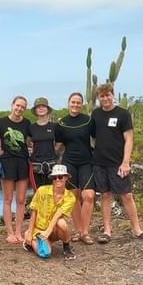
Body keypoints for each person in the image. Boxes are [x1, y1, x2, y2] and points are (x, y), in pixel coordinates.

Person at [89, 83, 143, 244]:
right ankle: (107, 230)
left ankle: (137, 229)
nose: (105, 98)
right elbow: (92, 136)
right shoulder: (95, 114)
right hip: (100, 162)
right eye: (102, 96)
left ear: (112, 95)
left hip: (118, 163)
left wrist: (126, 162)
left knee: (126, 195)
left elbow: (129, 139)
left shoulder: (123, 114)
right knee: (105, 195)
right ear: (98, 98)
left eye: (107, 95)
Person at [55, 91, 96, 244]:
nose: (75, 105)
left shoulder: (88, 121)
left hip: (86, 161)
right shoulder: (61, 123)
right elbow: (58, 145)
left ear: (82, 104)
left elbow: (98, 138)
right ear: (68, 103)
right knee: (73, 198)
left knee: (89, 196)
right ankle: (79, 231)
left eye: (78, 102)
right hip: (69, 162)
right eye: (73, 102)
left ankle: (85, 232)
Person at [0, 95, 33, 244]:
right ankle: (9, 232)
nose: (19, 109)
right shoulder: (2, 122)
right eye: (17, 105)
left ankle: (18, 232)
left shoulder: (27, 123)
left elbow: (30, 142)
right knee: (7, 199)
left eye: (22, 107)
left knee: (20, 199)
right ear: (12, 105)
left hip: (23, 162)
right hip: (7, 162)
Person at [23, 164, 77, 260]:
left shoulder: (70, 197)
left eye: (60, 177)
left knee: (62, 223)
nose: (57, 180)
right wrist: (31, 232)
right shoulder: (41, 190)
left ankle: (66, 246)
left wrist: (48, 231)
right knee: (45, 253)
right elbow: (34, 212)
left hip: (54, 230)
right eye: (54, 177)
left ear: (66, 178)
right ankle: (30, 238)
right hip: (39, 229)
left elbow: (58, 215)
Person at [28, 96, 57, 190]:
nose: (41, 108)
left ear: (47, 109)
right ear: (35, 110)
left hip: (51, 164)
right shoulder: (31, 127)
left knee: (52, 194)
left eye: (43, 106)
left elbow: (60, 142)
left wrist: (55, 151)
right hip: (36, 165)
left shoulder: (54, 126)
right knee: (38, 195)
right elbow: (28, 142)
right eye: (38, 107)